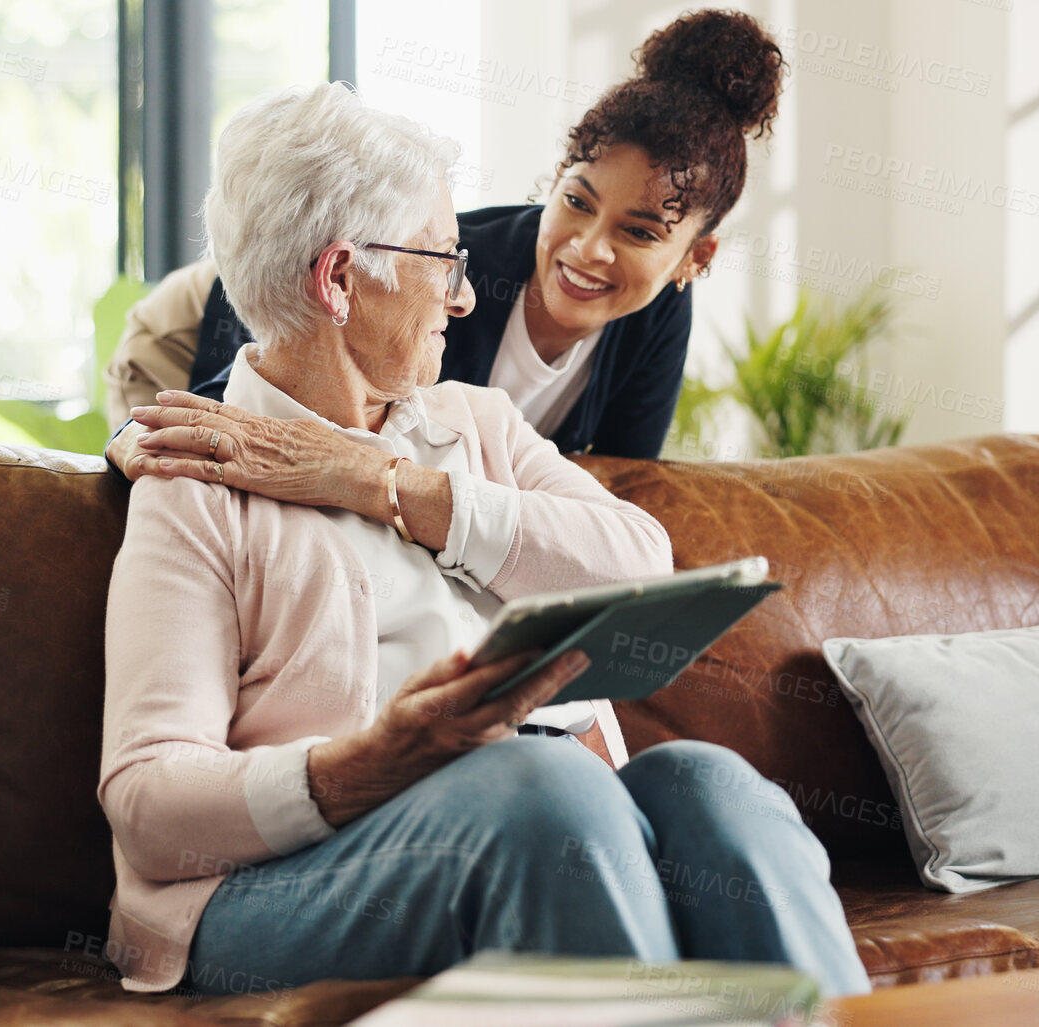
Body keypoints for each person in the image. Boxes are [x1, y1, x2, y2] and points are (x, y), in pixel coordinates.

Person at [98, 80, 869, 998]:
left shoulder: (477, 426)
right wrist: (364, 765)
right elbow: (147, 805)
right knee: (545, 790)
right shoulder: (195, 487)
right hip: (276, 888)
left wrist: (387, 484)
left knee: (710, 784)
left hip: (539, 816)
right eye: (441, 258)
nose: (463, 297)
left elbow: (638, 559)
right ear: (340, 278)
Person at [105, 8, 784, 472]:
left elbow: (615, 485)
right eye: (576, 202)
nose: (587, 247)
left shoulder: (657, 314)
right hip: (225, 308)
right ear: (553, 182)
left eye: (638, 232)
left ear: (693, 259)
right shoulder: (454, 270)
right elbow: (250, 391)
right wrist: (134, 437)